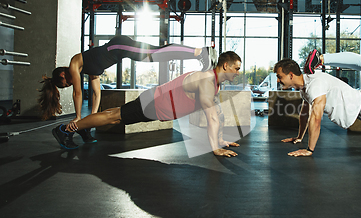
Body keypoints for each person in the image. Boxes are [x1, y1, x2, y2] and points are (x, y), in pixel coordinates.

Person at [52, 51, 241, 157]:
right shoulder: (207, 81)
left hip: (155, 103)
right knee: (113, 117)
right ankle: (66, 129)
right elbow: (212, 117)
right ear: (226, 66)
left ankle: (74, 128)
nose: (238, 72)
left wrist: (221, 139)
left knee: (115, 116)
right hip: (154, 104)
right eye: (236, 68)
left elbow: (217, 113)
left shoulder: (213, 83)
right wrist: (215, 147)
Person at [38, 35, 217, 142]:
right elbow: (96, 93)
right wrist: (90, 119)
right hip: (120, 50)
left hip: (117, 46)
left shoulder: (74, 64)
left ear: (62, 75)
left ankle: (200, 52)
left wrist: (78, 118)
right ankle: (199, 53)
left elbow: (78, 93)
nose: (69, 84)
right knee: (156, 54)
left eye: (66, 83)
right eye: (67, 85)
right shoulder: (91, 71)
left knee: (156, 53)